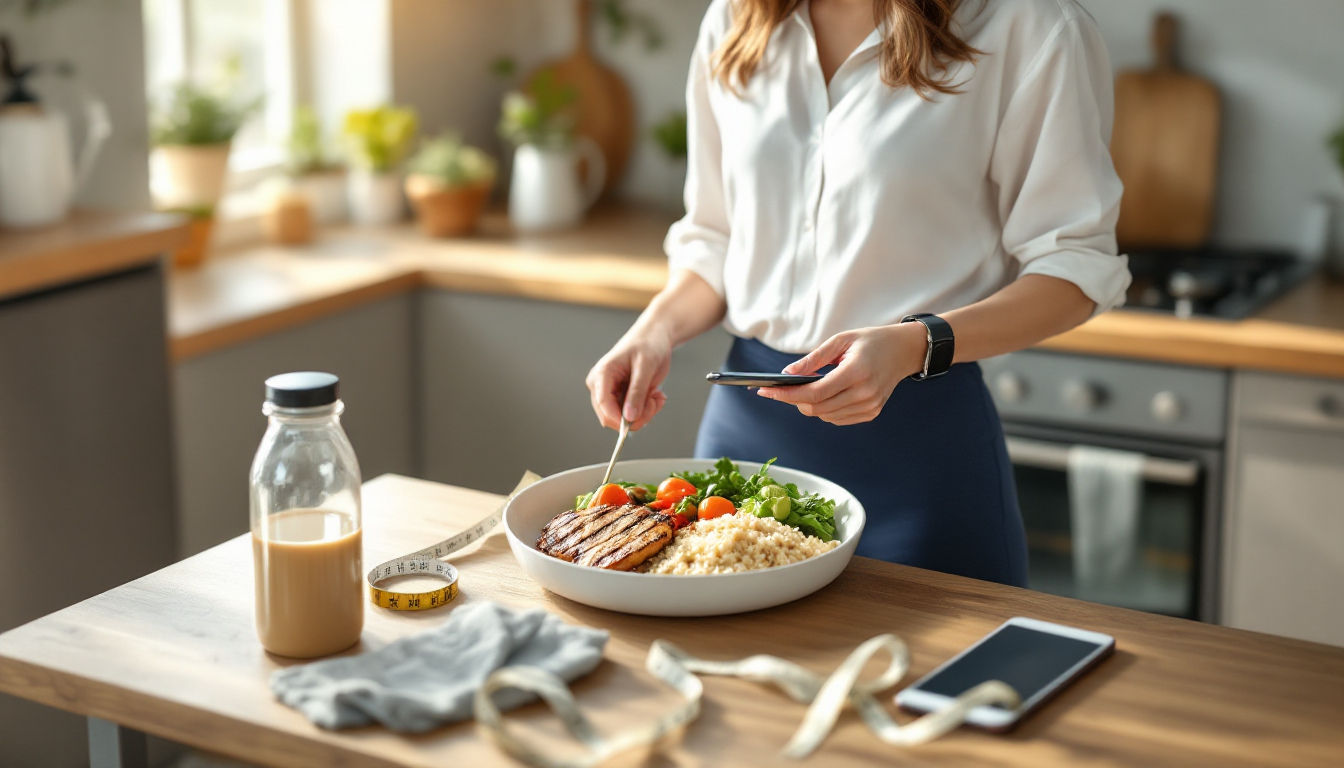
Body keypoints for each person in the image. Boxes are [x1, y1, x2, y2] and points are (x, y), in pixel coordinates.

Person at [585, 0, 1130, 586]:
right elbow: (716, 238)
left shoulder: (1031, 28)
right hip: (744, 448)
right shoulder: (736, 17)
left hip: (919, 452)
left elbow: (1075, 269)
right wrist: (653, 332)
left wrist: (914, 344)